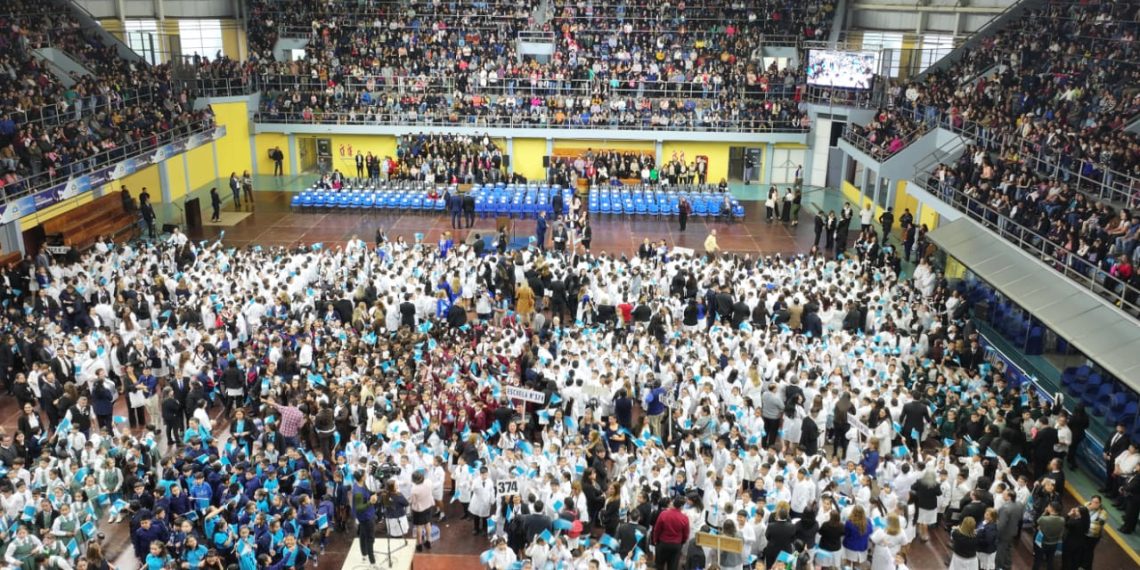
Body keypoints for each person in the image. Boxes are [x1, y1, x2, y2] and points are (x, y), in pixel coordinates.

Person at [652, 496, 689, 570]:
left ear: (673, 504)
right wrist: (681, 542)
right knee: (673, 566)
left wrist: (655, 540)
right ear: (682, 506)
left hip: (663, 543)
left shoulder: (664, 514)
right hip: (676, 545)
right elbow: (686, 534)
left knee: (659, 565)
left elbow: (657, 529)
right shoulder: (684, 518)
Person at [1033, 503, 1064, 570]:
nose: (1047, 507)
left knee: (1038, 560)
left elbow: (1038, 521)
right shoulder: (1062, 520)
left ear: (1052, 508)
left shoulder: (1044, 519)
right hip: (1054, 543)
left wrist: (1044, 512)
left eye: (1048, 506)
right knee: (1050, 560)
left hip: (1042, 542)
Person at [409, 471, 434, 552]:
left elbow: (413, 501)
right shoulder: (428, 482)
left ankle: (419, 544)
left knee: (419, 527)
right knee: (428, 523)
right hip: (428, 505)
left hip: (419, 510)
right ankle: (428, 541)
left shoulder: (414, 489)